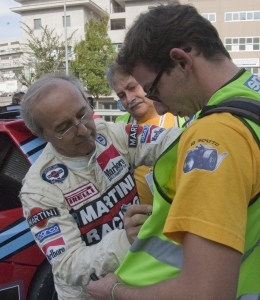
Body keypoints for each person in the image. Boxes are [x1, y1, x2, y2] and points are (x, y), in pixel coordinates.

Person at [87, 3, 260, 300]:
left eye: (152, 90)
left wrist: (113, 290)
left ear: (181, 61)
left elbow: (206, 293)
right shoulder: (250, 95)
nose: (160, 106)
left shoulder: (215, 136)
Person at [19, 73, 181, 299]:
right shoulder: (38, 189)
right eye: (65, 127)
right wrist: (125, 240)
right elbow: (67, 265)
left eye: (82, 114)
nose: (83, 130)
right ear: (42, 135)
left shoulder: (109, 133)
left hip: (134, 280)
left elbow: (169, 140)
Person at [107, 61, 186, 205]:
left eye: (132, 87)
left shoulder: (181, 115)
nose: (130, 98)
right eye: (122, 95)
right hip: (141, 224)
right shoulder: (120, 126)